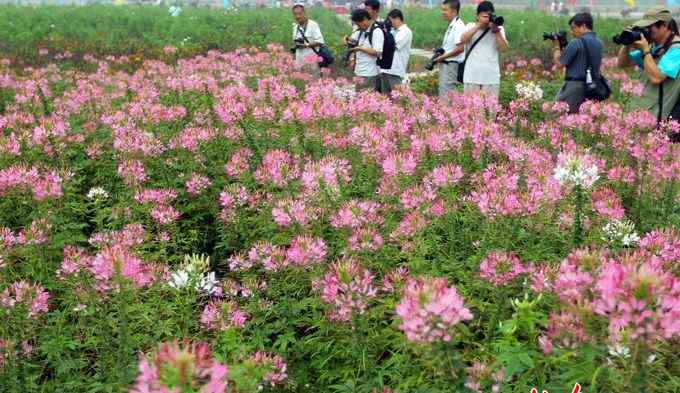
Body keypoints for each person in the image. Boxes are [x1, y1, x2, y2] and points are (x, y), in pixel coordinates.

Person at [617, 6, 680, 133]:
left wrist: (646, 51)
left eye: (649, 27)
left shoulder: (676, 50)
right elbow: (623, 63)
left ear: (665, 25)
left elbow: (656, 77)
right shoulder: (654, 48)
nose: (646, 31)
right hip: (640, 115)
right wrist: (627, 43)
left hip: (656, 121)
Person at [552, 12, 604, 113]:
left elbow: (559, 64)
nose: (571, 32)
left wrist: (556, 46)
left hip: (574, 87)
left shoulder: (576, 42)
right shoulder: (599, 43)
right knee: (583, 118)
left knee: (559, 115)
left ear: (583, 26)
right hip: (592, 86)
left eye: (573, 28)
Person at [459, 1, 508, 101]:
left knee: (490, 112)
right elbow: (462, 39)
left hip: (491, 77)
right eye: (484, 16)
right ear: (477, 16)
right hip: (472, 76)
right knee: (471, 112)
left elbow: (503, 49)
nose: (487, 19)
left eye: (489, 16)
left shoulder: (499, 29)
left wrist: (496, 31)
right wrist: (478, 25)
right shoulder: (470, 26)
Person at [433, 0, 466, 99]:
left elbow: (460, 48)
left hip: (451, 66)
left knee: (447, 98)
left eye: (445, 10)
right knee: (445, 95)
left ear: (454, 11)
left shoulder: (458, 26)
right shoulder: (453, 25)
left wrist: (442, 57)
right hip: (447, 66)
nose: (443, 12)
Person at [349, 8, 384, 91]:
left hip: (370, 73)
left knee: (367, 98)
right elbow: (354, 41)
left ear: (364, 20)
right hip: (359, 71)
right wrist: (348, 40)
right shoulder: (361, 31)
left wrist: (360, 49)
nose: (358, 26)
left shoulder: (377, 31)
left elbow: (377, 52)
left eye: (358, 24)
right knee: (359, 99)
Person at [379, 9, 412, 95]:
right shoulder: (392, 31)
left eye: (390, 20)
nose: (390, 23)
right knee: (385, 98)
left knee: (397, 97)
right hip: (385, 69)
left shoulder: (406, 32)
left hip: (395, 70)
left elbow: (392, 45)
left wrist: (385, 33)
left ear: (397, 18)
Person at [291, 3, 325, 74]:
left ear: (304, 13)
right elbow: (295, 41)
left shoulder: (313, 25)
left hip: (311, 62)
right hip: (299, 62)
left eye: (300, 13)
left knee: (313, 82)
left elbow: (320, 41)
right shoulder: (295, 27)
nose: (298, 16)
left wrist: (306, 45)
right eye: (295, 14)